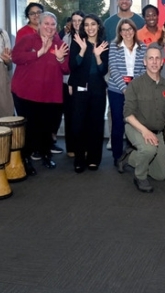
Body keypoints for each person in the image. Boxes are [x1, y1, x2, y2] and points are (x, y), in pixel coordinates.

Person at [11, 12, 69, 172]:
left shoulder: (60, 43)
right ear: (39, 24)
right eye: (46, 23)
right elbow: (15, 57)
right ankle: (26, 159)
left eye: (53, 24)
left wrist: (60, 59)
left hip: (50, 94)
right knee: (29, 128)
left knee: (47, 127)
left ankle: (45, 155)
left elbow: (66, 69)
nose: (49, 27)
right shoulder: (28, 40)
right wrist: (38, 53)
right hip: (26, 93)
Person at [117, 46, 165, 193]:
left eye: (157, 58)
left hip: (157, 132)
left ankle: (130, 157)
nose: (154, 62)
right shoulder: (135, 85)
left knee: (160, 175)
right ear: (144, 62)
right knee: (149, 149)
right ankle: (140, 176)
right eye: (150, 58)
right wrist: (144, 132)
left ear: (162, 62)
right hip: (136, 127)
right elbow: (127, 115)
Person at [68, 14, 109, 173]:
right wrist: (84, 50)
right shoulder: (78, 42)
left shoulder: (104, 44)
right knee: (78, 125)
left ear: (98, 26)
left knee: (96, 125)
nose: (90, 28)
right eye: (86, 25)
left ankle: (93, 159)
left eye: (93, 24)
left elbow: (102, 70)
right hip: (80, 88)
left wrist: (98, 55)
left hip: (97, 88)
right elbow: (73, 66)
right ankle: (79, 159)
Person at [107, 18, 146, 165]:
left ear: (134, 30)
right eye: (124, 29)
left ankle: (132, 154)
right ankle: (117, 156)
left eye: (130, 29)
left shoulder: (143, 47)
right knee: (118, 122)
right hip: (116, 90)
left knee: (134, 122)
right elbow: (114, 69)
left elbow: (143, 69)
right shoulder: (114, 46)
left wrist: (133, 88)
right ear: (120, 32)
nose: (127, 32)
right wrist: (124, 89)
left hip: (136, 90)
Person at [61, 11, 84, 158]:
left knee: (83, 115)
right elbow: (65, 62)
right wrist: (70, 82)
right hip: (68, 82)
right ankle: (71, 147)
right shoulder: (66, 38)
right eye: (74, 20)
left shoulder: (88, 37)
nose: (76, 23)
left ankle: (84, 146)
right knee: (70, 116)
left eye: (80, 20)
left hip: (83, 82)